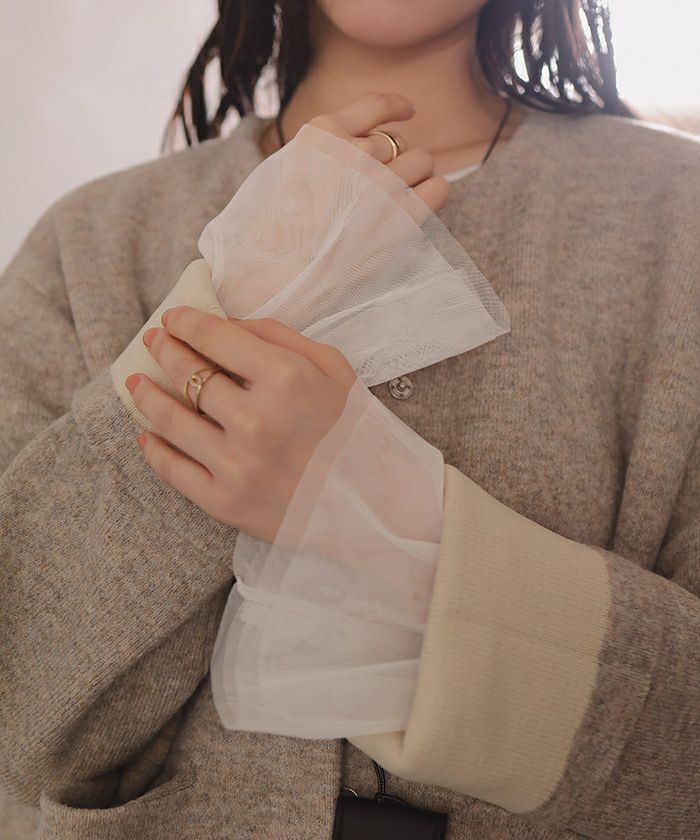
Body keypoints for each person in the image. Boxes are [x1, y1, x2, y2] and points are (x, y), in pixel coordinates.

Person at [1, 1, 699, 838]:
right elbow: (16, 716)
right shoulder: (91, 239)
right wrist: (245, 292)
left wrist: (392, 522)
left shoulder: (680, 217)